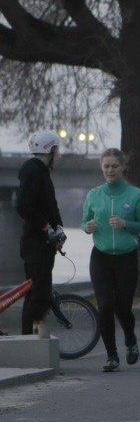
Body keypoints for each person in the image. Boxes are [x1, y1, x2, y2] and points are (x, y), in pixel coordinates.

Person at [82, 148, 140, 372]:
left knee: (123, 308)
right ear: (102, 167)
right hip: (100, 256)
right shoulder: (94, 195)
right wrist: (88, 227)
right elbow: (85, 223)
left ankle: (130, 339)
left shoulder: (136, 195)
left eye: (114, 166)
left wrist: (125, 224)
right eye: (106, 166)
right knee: (105, 306)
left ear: (122, 167)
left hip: (126, 258)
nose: (110, 170)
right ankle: (112, 356)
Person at [16, 130, 66, 336]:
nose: (59, 154)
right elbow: (23, 206)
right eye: (57, 149)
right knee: (39, 295)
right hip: (36, 244)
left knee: (38, 293)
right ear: (51, 149)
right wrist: (46, 227)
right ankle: (27, 339)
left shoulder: (41, 171)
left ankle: (32, 338)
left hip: (43, 244)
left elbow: (49, 206)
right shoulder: (34, 171)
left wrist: (59, 229)